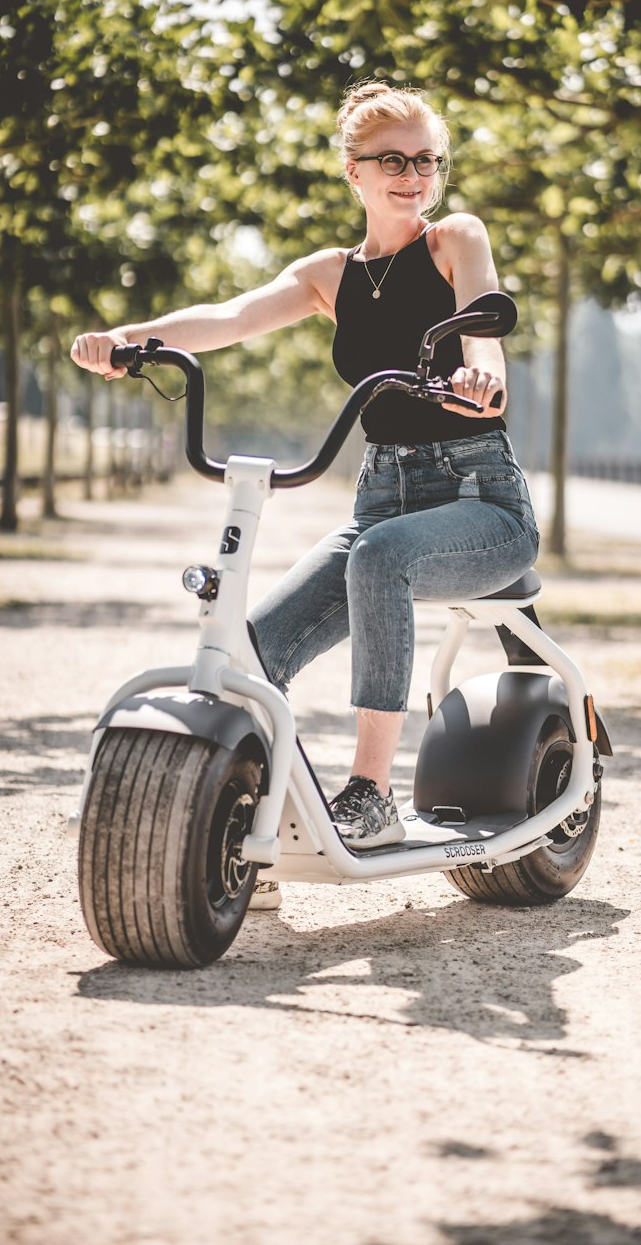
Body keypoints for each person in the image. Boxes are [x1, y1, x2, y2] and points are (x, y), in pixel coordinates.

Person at [70, 80, 540, 889]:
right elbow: (229, 317)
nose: (414, 174)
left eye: (428, 159)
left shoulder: (455, 238)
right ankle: (236, 826)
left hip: (481, 503)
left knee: (378, 559)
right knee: (253, 650)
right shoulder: (330, 274)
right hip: (383, 497)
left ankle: (371, 794)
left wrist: (481, 373)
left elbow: (482, 319)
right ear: (352, 170)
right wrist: (130, 340)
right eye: (393, 159)